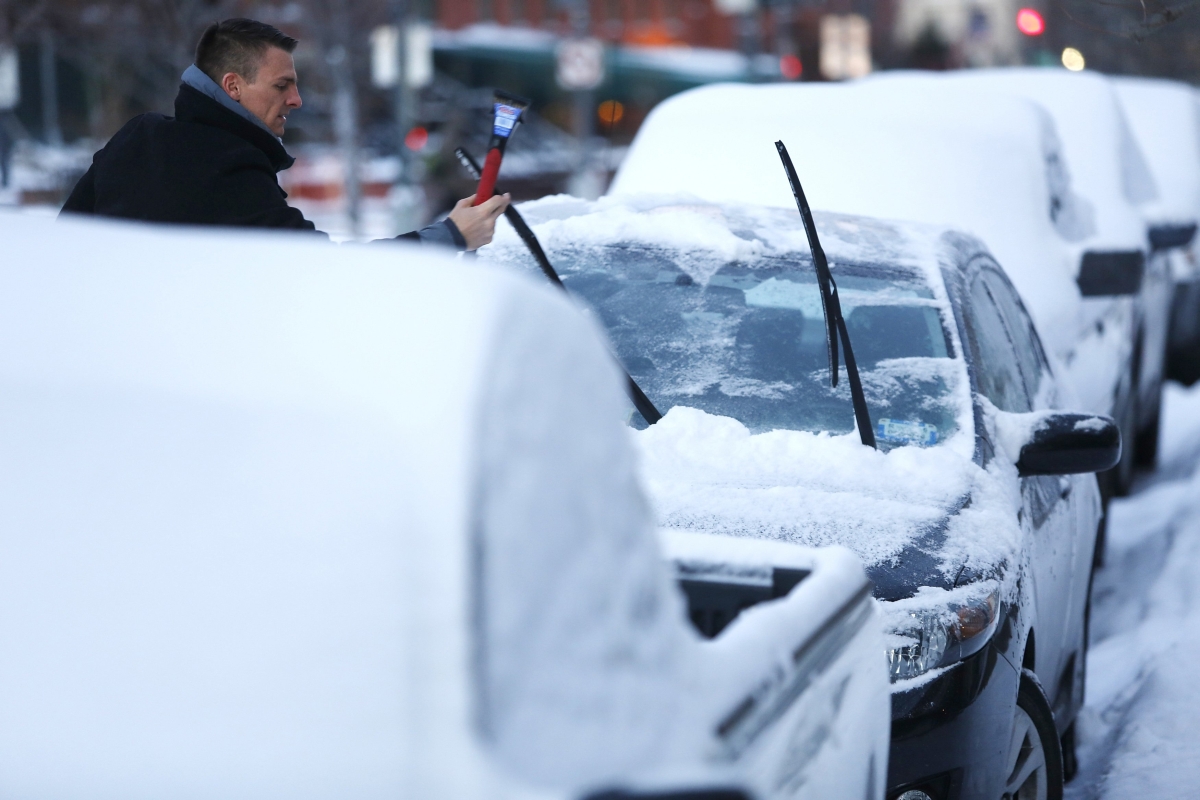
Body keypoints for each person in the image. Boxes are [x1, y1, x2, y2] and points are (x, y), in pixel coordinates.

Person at [60, 18, 508, 250]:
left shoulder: (139, 136)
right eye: (282, 86)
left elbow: (64, 242)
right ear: (233, 86)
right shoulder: (227, 167)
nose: (296, 100)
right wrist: (451, 235)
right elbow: (324, 273)